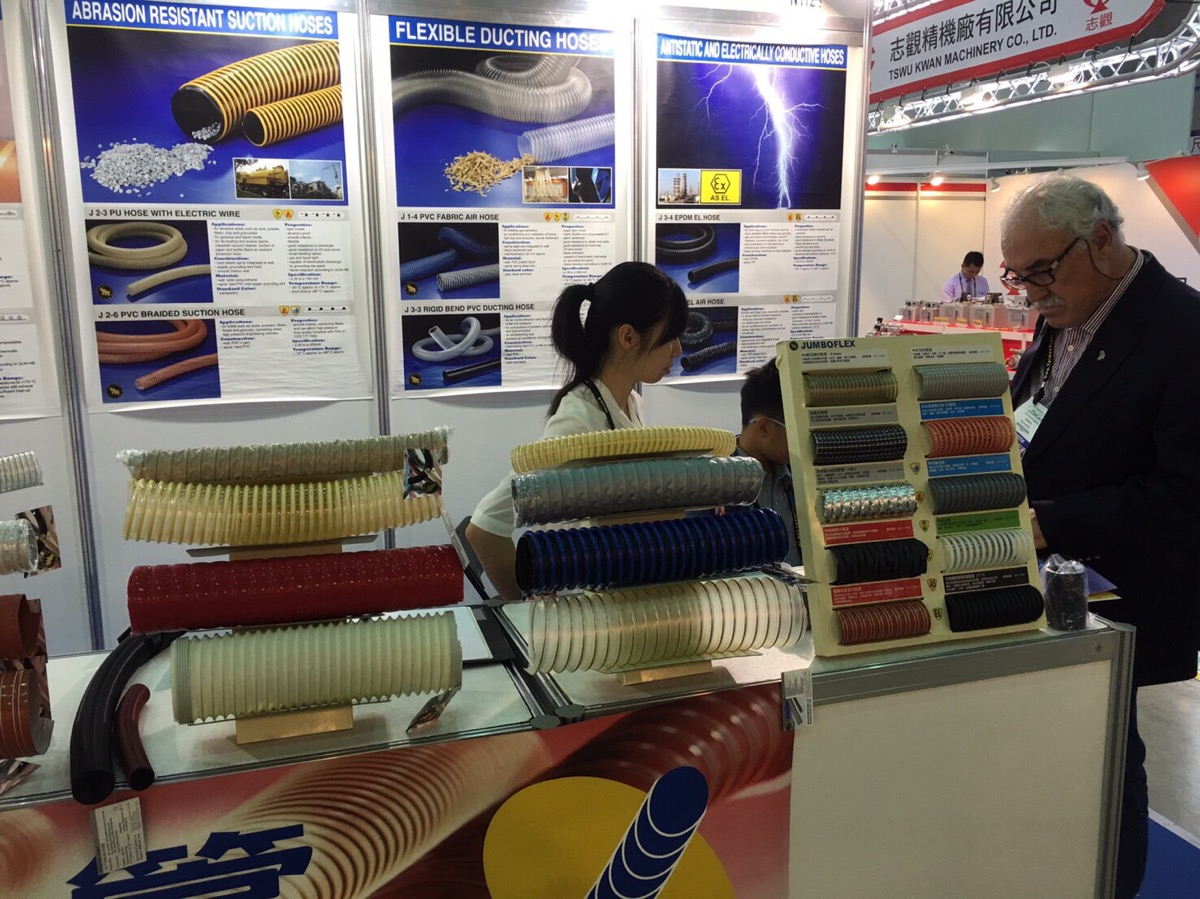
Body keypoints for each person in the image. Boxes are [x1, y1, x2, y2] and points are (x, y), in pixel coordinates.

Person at [1002, 173, 1200, 899]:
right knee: (1050, 756)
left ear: (1103, 241)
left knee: (1110, 758)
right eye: (1017, 276)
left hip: (1118, 596)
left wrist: (1051, 521)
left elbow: (1182, 497)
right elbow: (1044, 420)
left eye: (1041, 271)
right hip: (1041, 582)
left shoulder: (1183, 331)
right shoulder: (1061, 314)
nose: (1030, 292)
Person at [465, 261, 687, 601]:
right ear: (628, 337)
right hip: (585, 616)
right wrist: (526, 610)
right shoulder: (579, 421)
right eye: (669, 337)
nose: (678, 350)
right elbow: (484, 528)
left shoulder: (631, 403)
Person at [735, 360, 801, 567]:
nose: (805, 442)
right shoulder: (716, 484)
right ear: (763, 427)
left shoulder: (801, 475)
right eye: (798, 432)